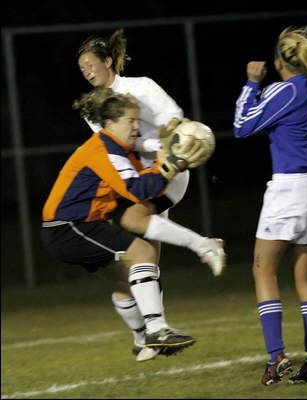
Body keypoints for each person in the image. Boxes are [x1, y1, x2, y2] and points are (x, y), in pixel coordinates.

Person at [41, 88, 226, 362]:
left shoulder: (116, 148)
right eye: (131, 121)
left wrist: (166, 162)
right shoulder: (104, 148)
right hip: (70, 227)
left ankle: (142, 343)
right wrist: (170, 164)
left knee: (125, 280)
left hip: (68, 229)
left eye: (138, 120)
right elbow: (137, 190)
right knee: (143, 253)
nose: (137, 126)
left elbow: (142, 183)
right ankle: (157, 329)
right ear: (110, 123)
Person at [75, 29, 221, 362]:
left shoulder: (141, 86)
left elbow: (173, 118)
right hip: (133, 181)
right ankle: (146, 335)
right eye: (81, 67)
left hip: (167, 171)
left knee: (136, 242)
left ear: (108, 61)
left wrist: (170, 148)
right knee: (136, 261)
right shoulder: (92, 108)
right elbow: (119, 147)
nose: (86, 71)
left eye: (90, 64)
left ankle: (152, 330)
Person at [233, 25, 307, 385]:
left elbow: (242, 126)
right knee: (305, 273)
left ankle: (276, 357)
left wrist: (250, 84)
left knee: (263, 270)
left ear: (279, 61)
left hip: (294, 186)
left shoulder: (286, 88)